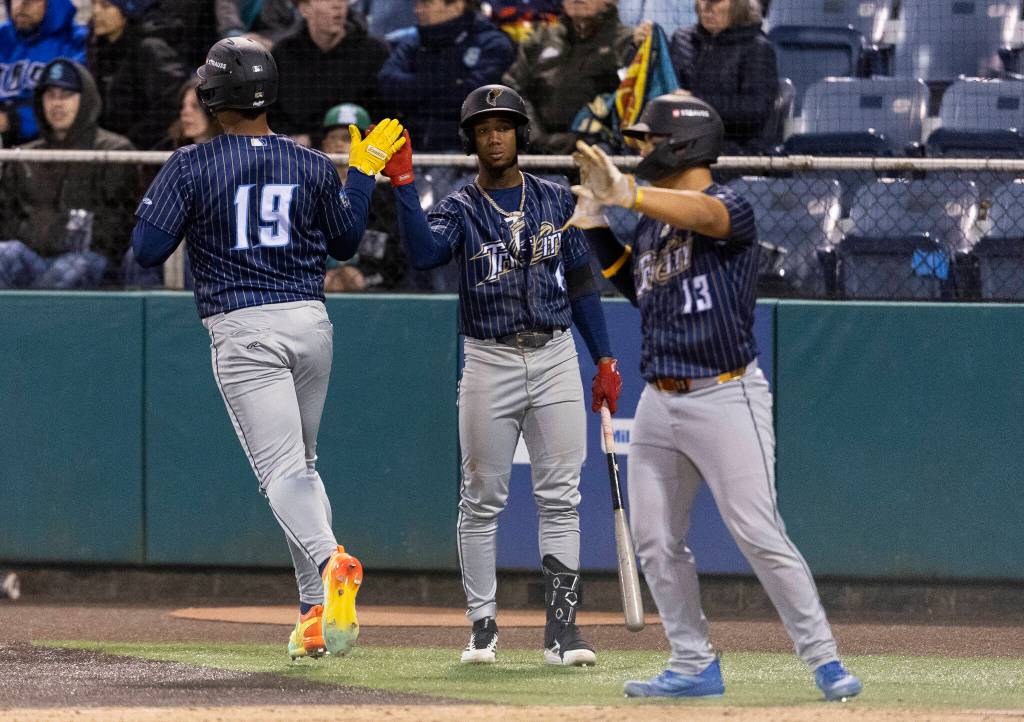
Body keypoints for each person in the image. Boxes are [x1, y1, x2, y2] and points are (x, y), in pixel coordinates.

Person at [566, 93, 862, 701]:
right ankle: (693, 662)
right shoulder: (651, 221)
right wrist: (597, 226)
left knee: (758, 531)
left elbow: (705, 216)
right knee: (655, 539)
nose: (641, 149)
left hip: (725, 395)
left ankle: (824, 659)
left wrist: (628, 193)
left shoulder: (731, 204)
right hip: (659, 401)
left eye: (650, 139)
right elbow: (642, 288)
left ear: (685, 143)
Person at [129, 37, 406, 660]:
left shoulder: (192, 164)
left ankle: (331, 560)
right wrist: (360, 175)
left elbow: (147, 250)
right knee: (302, 471)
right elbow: (344, 245)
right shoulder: (309, 162)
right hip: (311, 323)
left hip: (244, 325)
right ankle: (313, 614)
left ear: (214, 93)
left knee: (280, 474)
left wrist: (193, 211)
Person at [388, 83, 623, 666]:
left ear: (521, 132)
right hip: (489, 359)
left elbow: (583, 281)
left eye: (504, 126)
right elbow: (423, 254)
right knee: (481, 498)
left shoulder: (552, 198)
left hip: (554, 355)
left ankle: (563, 632)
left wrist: (606, 357)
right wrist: (401, 187)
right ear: (471, 139)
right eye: (484, 128)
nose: (495, 136)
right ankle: (483, 626)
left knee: (561, 497)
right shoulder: (460, 207)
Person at [0, 59, 137, 289]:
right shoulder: (25, 157)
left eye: (66, 95)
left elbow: (118, 226)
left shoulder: (114, 152)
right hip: (33, 256)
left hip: (90, 260)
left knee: (72, 268)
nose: (57, 104)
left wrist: (59, 236)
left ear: (84, 99)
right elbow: (7, 217)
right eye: (50, 95)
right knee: (5, 254)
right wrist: (38, 237)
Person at [377, 0, 514, 152]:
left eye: (426, 4)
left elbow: (474, 99)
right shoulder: (414, 42)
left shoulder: (492, 43)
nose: (418, 10)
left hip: (467, 153)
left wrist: (416, 94)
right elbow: (388, 85)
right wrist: (449, 82)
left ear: (457, 5)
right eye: (417, 4)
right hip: (410, 146)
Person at [503, 0, 634, 155]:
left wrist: (587, 139)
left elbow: (629, 103)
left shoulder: (627, 44)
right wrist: (534, 136)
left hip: (600, 154)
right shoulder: (540, 40)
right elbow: (514, 89)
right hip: (535, 150)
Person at [270, 0, 390, 145]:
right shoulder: (283, 54)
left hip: (359, 155)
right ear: (304, 8)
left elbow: (384, 115)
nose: (337, 5)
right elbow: (272, 114)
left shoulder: (373, 52)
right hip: (296, 156)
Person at [319, 102, 408, 292]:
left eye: (347, 138)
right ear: (324, 144)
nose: (338, 144)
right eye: (333, 138)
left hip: (369, 273)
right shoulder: (312, 184)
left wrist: (361, 272)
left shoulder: (383, 191)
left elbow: (390, 249)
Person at [669, 0, 777, 152]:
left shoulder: (757, 47)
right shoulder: (682, 40)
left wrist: (696, 103)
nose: (706, 8)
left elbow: (755, 111)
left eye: (716, 1)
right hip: (680, 145)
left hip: (736, 152)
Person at [88, 0, 187, 149]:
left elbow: (168, 105)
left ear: (127, 13)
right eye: (93, 4)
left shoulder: (149, 50)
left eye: (105, 6)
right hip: (111, 151)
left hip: (144, 155)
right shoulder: (99, 51)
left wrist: (129, 141)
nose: (96, 11)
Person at [0, 0, 88, 146]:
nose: (22, 4)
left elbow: (78, 105)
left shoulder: (76, 41)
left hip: (51, 145)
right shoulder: (2, 37)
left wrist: (13, 121)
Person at [215, 0, 302, 48]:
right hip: (239, 42)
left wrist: (274, 43)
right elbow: (227, 14)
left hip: (278, 43)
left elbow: (299, 24)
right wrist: (240, 39)